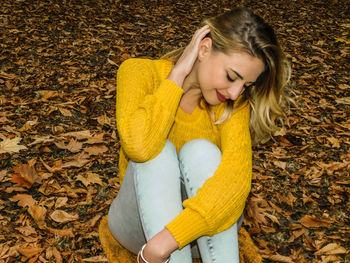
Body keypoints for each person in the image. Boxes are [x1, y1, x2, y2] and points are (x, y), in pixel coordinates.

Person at [108, 7, 290, 263]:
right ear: (203, 49)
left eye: (246, 85)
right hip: (136, 226)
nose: (236, 93)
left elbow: (234, 185)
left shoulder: (233, 107)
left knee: (201, 151)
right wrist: (176, 77)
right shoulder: (138, 72)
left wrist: (169, 239)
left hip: (200, 234)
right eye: (232, 76)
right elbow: (139, 147)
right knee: (159, 151)